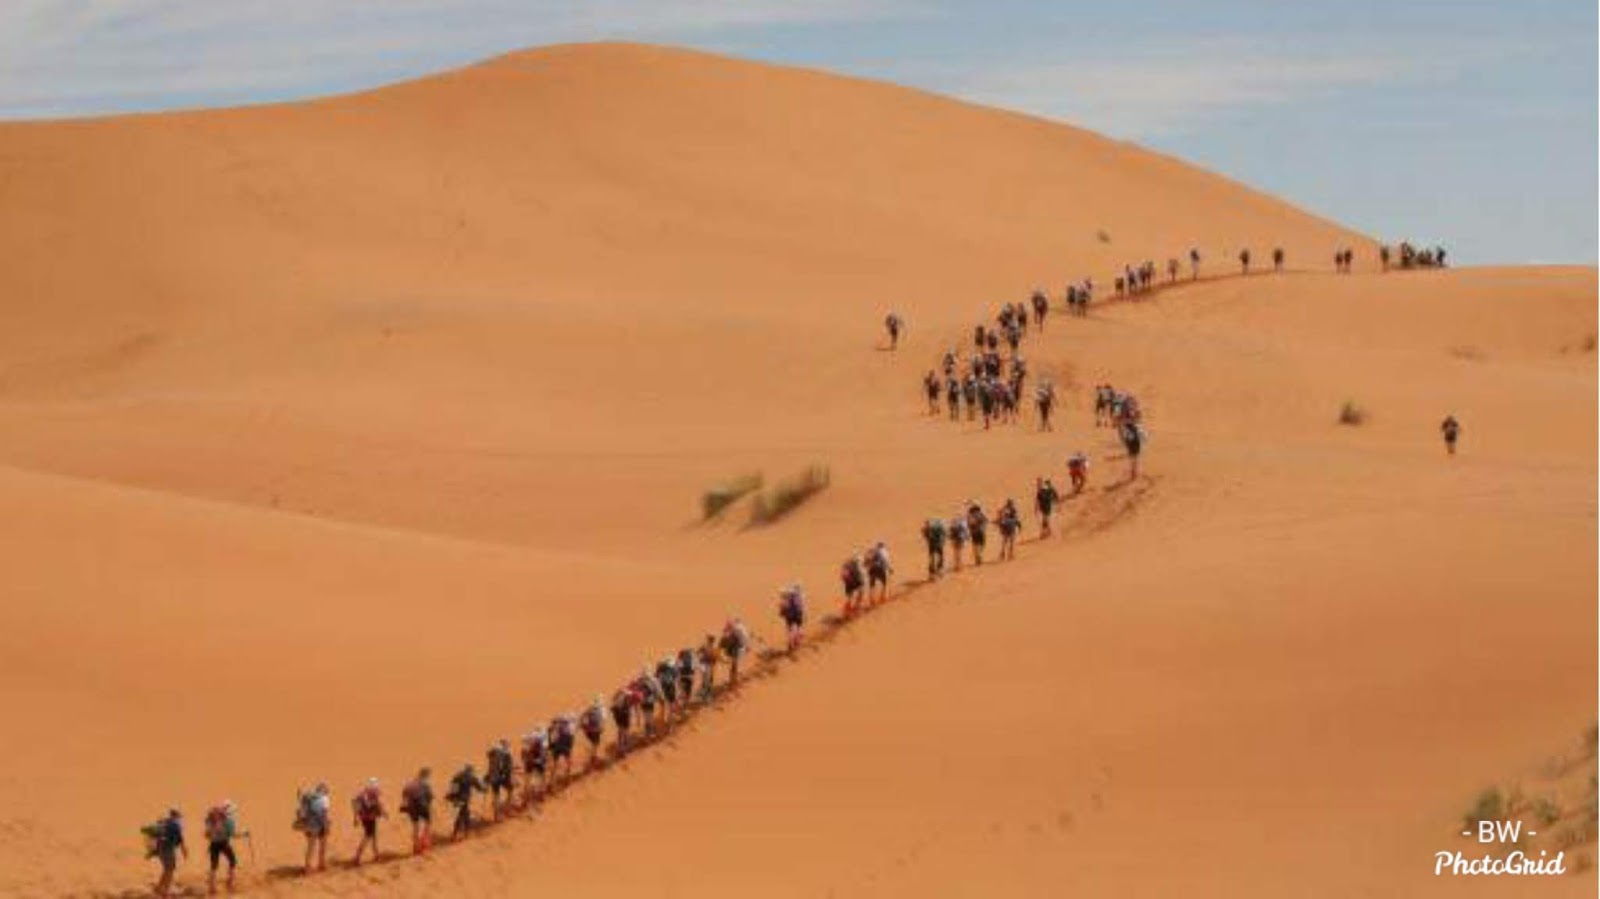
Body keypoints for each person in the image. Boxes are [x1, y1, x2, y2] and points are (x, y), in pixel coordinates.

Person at [145, 808, 187, 897]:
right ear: (176, 816)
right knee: (170, 869)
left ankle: (159, 887)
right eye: (179, 816)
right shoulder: (176, 825)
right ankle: (166, 891)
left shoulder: (164, 822)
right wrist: (184, 851)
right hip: (168, 849)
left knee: (167, 869)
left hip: (160, 849)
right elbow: (180, 840)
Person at [203, 801, 242, 895]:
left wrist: (214, 834)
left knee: (214, 866)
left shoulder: (210, 820)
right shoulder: (228, 821)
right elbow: (233, 834)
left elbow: (206, 835)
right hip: (224, 844)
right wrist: (244, 833)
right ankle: (230, 883)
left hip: (213, 845)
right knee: (232, 861)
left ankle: (212, 888)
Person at [293, 783, 331, 873]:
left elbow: (301, 807)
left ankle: (307, 867)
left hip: (309, 824)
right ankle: (321, 864)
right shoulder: (324, 798)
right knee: (323, 845)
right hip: (320, 824)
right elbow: (324, 813)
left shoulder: (308, 797)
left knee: (311, 846)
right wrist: (327, 827)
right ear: (324, 791)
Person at [350, 777, 386, 866]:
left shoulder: (361, 794)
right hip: (369, 818)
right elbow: (378, 804)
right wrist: (383, 812)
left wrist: (356, 818)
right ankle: (357, 857)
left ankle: (376, 855)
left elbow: (355, 804)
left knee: (373, 836)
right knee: (367, 837)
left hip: (366, 818)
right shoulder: (372, 794)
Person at [446, 763, 486, 840]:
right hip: (464, 799)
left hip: (455, 799)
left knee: (462, 814)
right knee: (464, 815)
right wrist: (484, 789)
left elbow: (452, 788)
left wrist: (450, 797)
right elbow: (479, 787)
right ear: (470, 770)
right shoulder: (471, 777)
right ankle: (463, 834)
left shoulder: (457, 775)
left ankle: (457, 834)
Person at [400, 768, 434, 854]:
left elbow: (404, 794)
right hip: (422, 806)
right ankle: (423, 845)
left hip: (411, 808)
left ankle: (415, 847)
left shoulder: (410, 783)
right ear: (426, 775)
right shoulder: (425, 784)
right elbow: (430, 796)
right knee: (427, 823)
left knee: (415, 827)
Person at [486, 739, 515, 818]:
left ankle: (496, 814)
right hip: (502, 777)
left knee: (496, 795)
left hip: (492, 776)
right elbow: (509, 768)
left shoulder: (492, 752)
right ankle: (508, 810)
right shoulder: (507, 753)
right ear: (505, 745)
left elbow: (489, 762)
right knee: (510, 790)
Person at [719, 618, 751, 685]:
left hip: (736, 649)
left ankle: (733, 680)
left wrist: (746, 646)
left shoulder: (739, 630)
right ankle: (733, 679)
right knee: (733, 665)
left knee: (734, 664)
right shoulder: (735, 630)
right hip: (733, 649)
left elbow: (743, 639)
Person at [518, 733, 548, 805]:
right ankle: (536, 798)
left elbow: (523, 758)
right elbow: (542, 758)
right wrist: (535, 761)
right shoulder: (539, 747)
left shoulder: (525, 748)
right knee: (536, 782)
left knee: (529, 782)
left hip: (531, 767)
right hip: (535, 767)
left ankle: (529, 799)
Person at [549, 715, 577, 783]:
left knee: (555, 764)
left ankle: (551, 780)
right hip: (565, 748)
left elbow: (553, 740)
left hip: (557, 748)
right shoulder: (570, 730)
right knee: (568, 761)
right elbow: (571, 742)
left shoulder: (557, 729)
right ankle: (568, 776)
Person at [778, 583, 806, 651]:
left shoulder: (786, 598)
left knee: (789, 629)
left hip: (789, 616)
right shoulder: (799, 597)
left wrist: (782, 613)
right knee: (799, 627)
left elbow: (781, 608)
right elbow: (802, 606)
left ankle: (790, 642)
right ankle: (797, 640)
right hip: (798, 614)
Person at [580, 697, 608, 766]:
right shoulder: (602, 710)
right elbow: (603, 721)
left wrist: (583, 725)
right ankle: (593, 757)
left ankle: (593, 755)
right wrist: (602, 728)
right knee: (596, 743)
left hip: (588, 730)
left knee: (594, 743)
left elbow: (582, 716)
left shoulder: (590, 709)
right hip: (595, 730)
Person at [697, 633, 721, 701]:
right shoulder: (715, 648)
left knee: (705, 679)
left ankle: (705, 694)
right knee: (709, 680)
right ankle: (707, 695)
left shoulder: (705, 646)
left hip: (705, 665)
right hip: (710, 666)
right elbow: (717, 657)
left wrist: (699, 657)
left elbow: (698, 652)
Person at [675, 648, 697, 713]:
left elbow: (677, 670)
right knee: (687, 693)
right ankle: (683, 707)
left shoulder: (680, 661)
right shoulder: (690, 661)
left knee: (681, 692)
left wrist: (678, 678)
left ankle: (679, 706)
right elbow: (693, 671)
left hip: (682, 679)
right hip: (688, 679)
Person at [966, 501, 988, 566]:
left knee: (975, 545)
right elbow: (986, 520)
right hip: (981, 531)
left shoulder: (970, 515)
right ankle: (979, 554)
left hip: (973, 532)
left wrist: (969, 530)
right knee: (982, 544)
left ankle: (977, 557)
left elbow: (968, 524)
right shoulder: (980, 514)